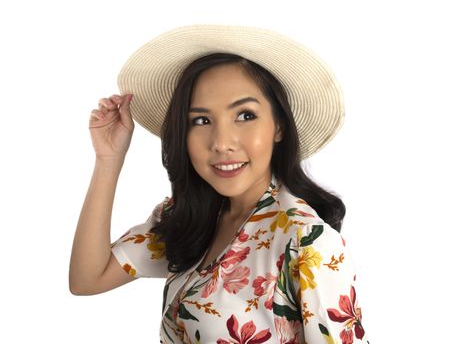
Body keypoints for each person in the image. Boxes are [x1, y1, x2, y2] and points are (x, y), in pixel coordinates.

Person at [69, 24, 369, 344]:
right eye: (201, 120)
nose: (222, 143)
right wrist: (108, 160)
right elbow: (88, 279)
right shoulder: (187, 218)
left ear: (279, 126)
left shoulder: (306, 242)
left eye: (244, 115)